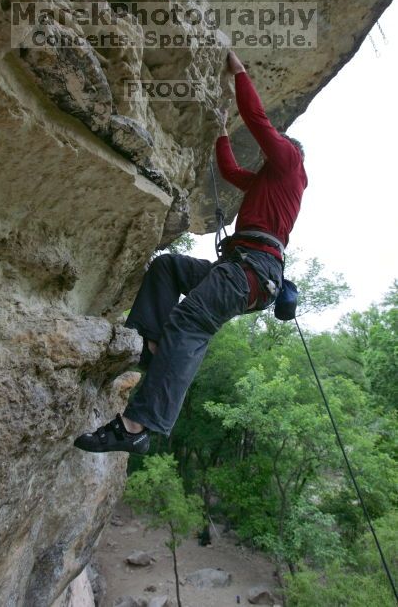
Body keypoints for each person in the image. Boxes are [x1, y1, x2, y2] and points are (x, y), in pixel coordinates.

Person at [74, 51, 308, 455]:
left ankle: (136, 426)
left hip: (251, 271)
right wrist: (219, 132)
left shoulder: (290, 164)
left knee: (189, 324)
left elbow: (258, 123)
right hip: (239, 270)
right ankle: (154, 347)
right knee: (168, 268)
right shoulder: (266, 182)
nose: (275, 146)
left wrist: (240, 73)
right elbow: (232, 173)